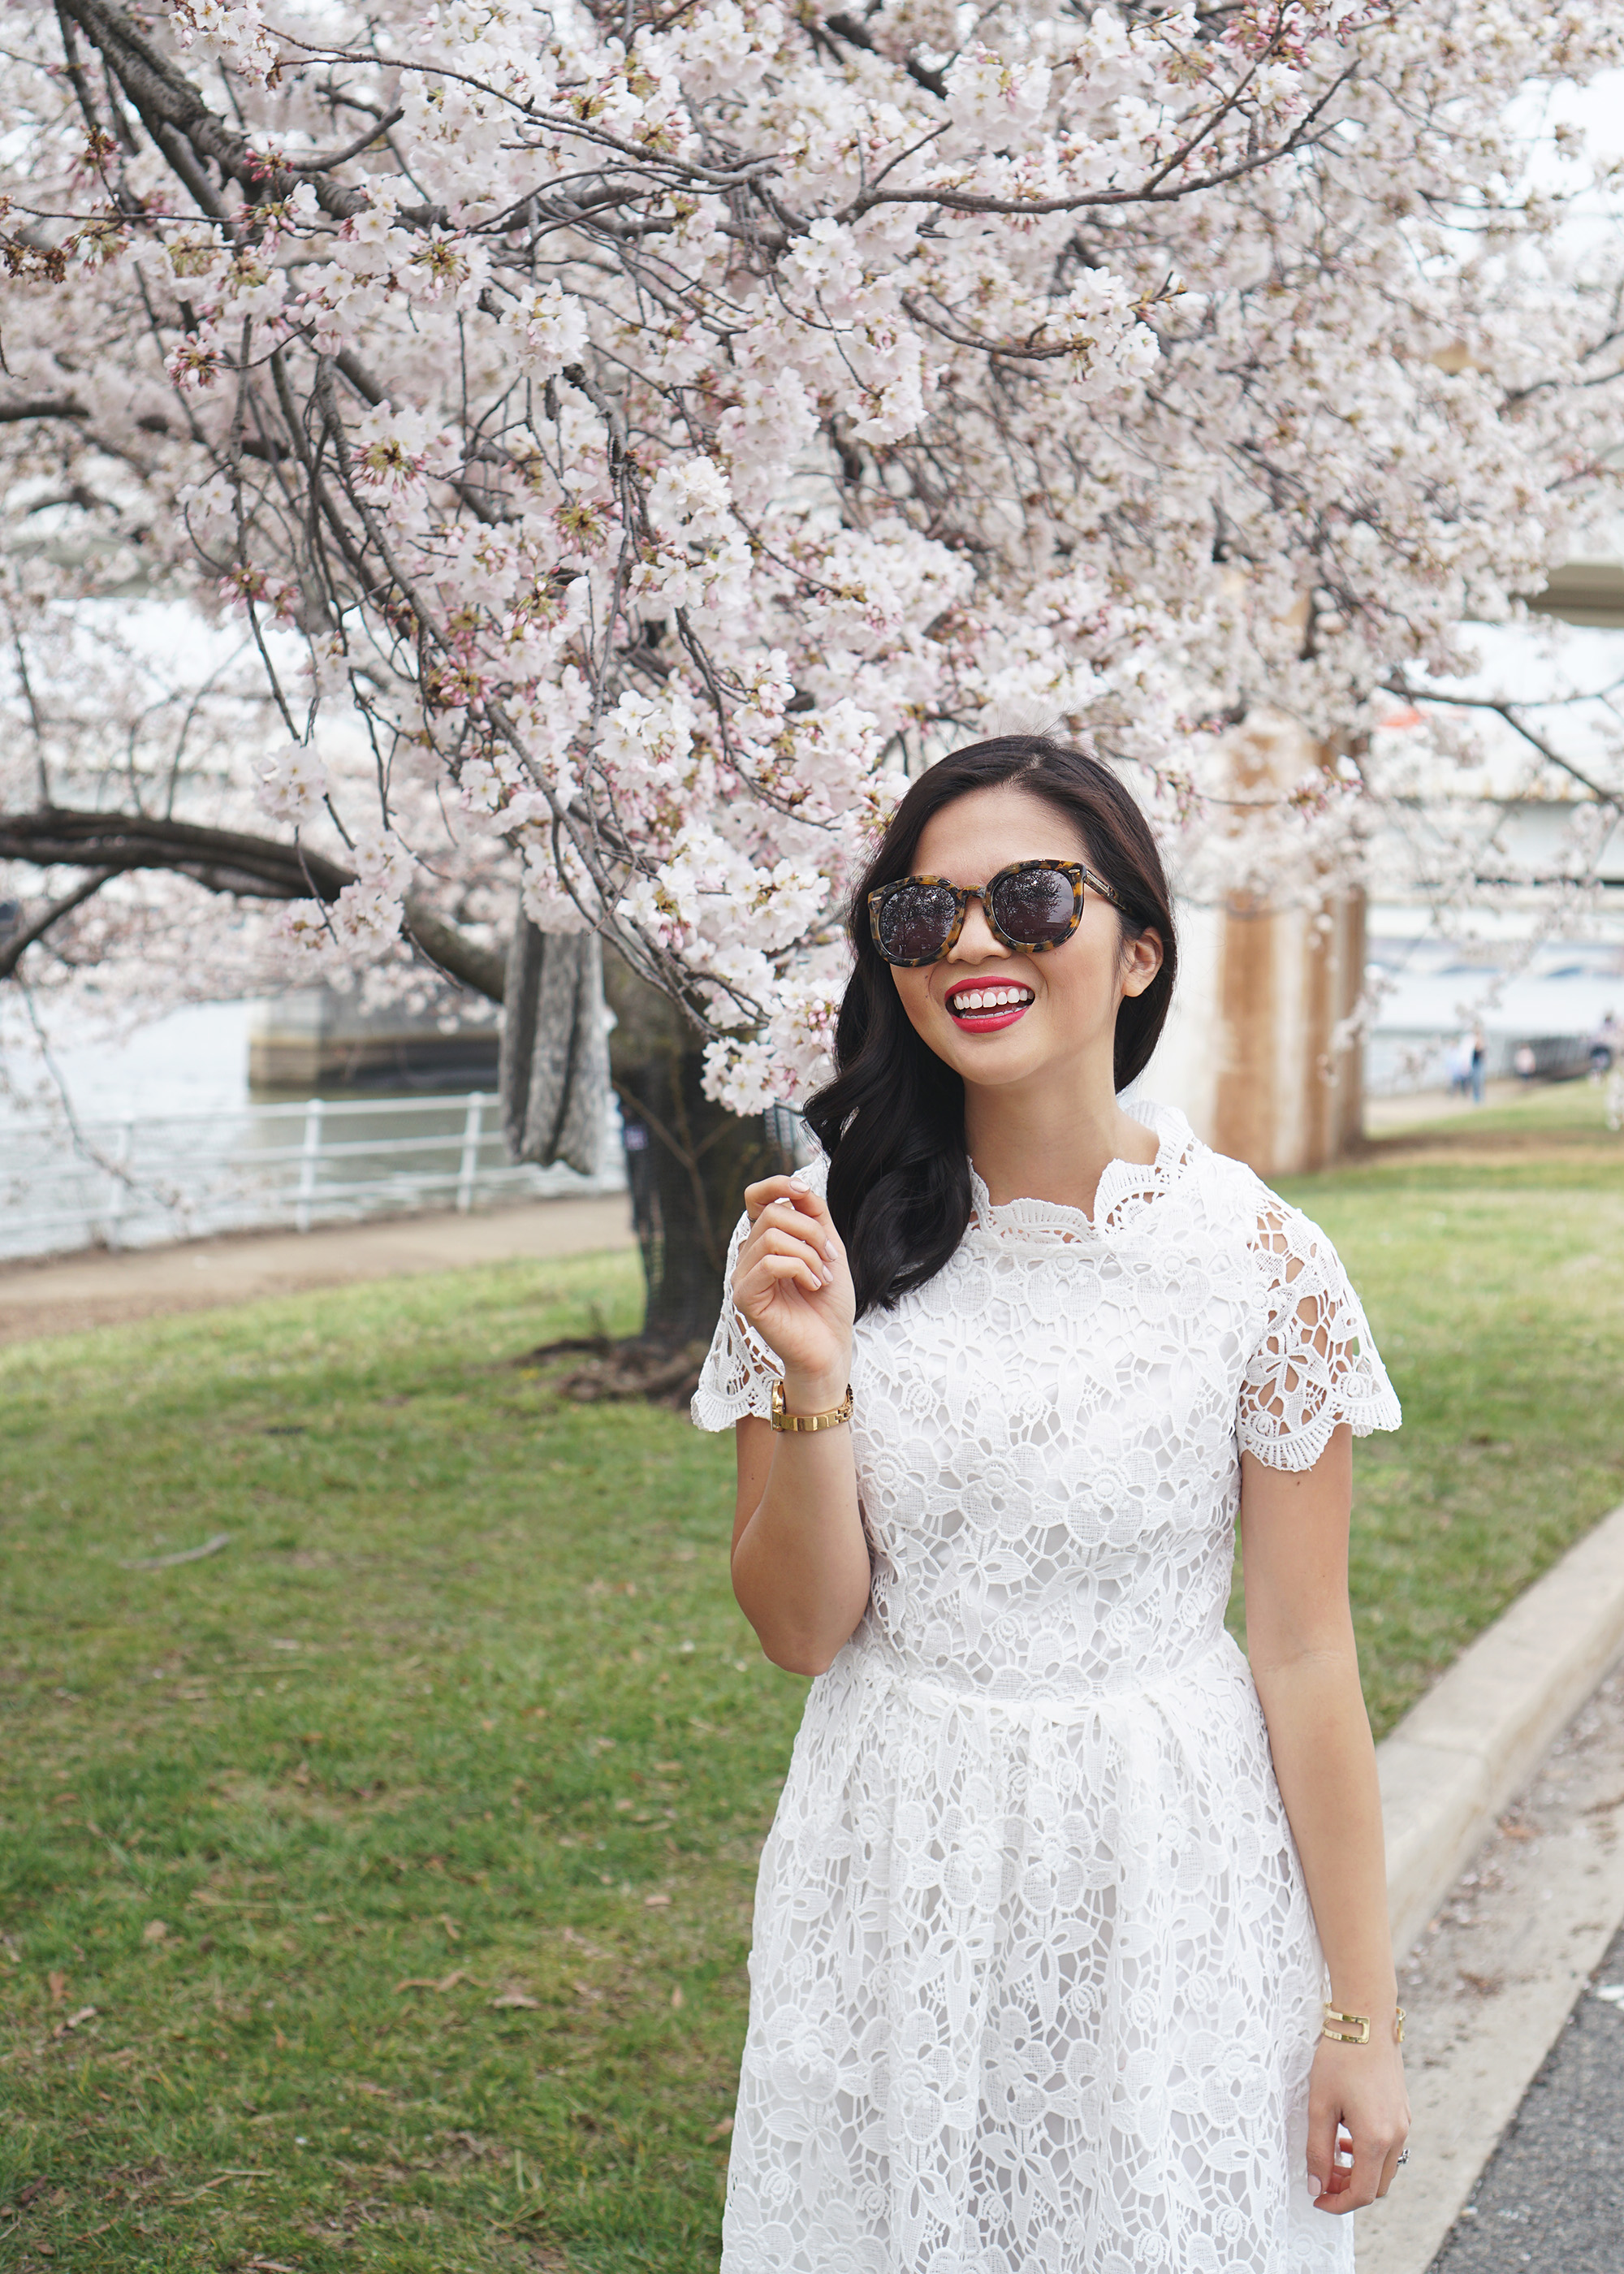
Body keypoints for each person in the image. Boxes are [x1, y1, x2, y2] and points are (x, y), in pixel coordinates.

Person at [693, 735, 1410, 2273]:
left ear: (1138, 948)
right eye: (920, 913)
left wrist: (1363, 2015)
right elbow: (801, 1631)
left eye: (1029, 900)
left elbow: (1305, 1655)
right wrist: (811, 1373)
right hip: (898, 1855)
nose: (970, 945)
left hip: (1172, 1864)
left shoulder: (1261, 1263)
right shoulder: (811, 1244)